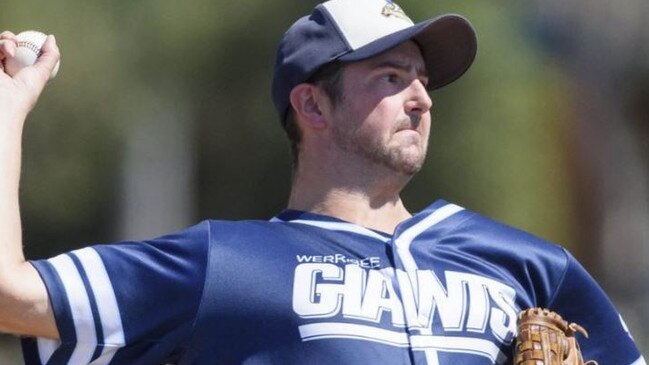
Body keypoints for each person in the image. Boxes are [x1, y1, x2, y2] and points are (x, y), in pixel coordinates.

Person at [0, 0, 645, 364]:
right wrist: (9, 107)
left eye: (423, 79)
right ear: (312, 107)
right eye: (391, 78)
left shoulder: (529, 268)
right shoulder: (225, 268)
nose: (422, 97)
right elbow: (11, 295)